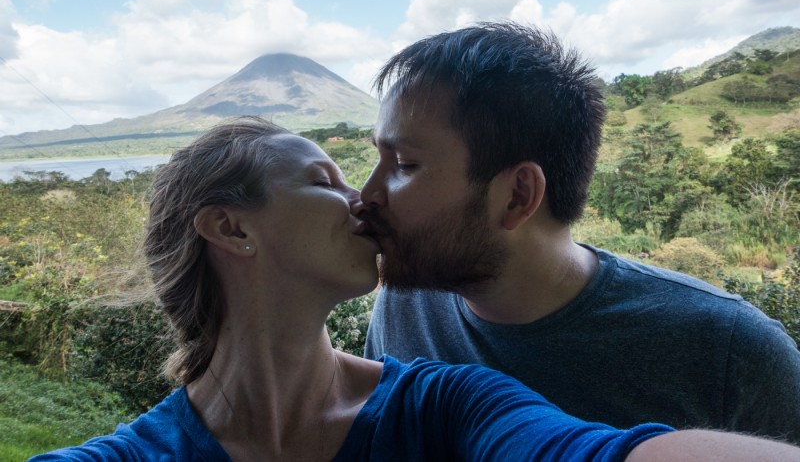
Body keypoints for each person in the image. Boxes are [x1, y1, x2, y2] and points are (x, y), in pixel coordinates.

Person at [30, 117, 800, 461]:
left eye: (395, 166)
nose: (364, 199)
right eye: (326, 180)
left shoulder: (451, 407)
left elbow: (588, 451)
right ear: (232, 230)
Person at [361, 22, 800, 444]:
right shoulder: (403, 307)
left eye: (404, 165)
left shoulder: (730, 353)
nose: (368, 193)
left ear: (518, 195)